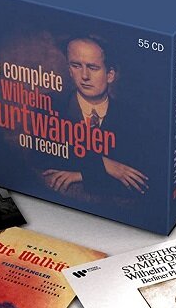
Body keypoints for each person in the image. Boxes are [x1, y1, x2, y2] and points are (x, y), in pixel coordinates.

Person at [42, 35, 149, 196]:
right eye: (76, 66)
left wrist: (81, 174)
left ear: (110, 75)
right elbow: (43, 160)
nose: (84, 76)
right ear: (69, 70)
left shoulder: (133, 118)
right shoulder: (50, 105)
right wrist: (106, 164)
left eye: (93, 67)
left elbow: (135, 179)